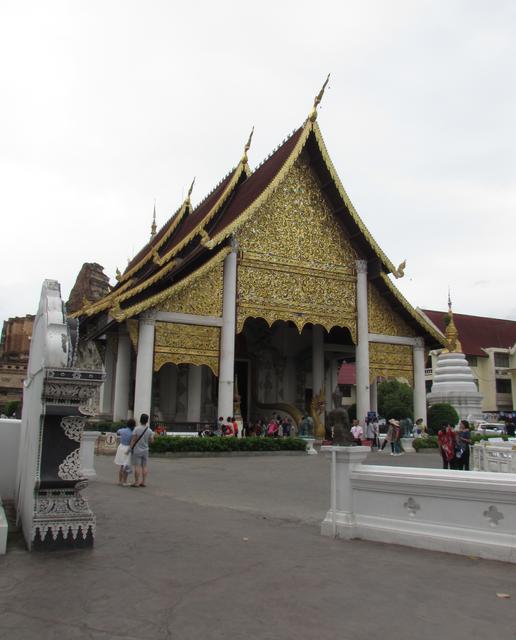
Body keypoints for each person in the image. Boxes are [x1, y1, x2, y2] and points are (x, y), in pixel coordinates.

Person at [129, 413, 155, 487]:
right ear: (147, 421)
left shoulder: (136, 429)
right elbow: (152, 441)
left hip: (137, 450)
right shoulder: (149, 430)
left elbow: (133, 440)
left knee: (137, 466)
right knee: (144, 466)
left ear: (140, 420)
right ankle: (143, 482)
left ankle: (136, 482)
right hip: (145, 450)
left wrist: (130, 448)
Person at [114, 418, 135, 486]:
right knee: (126, 465)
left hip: (121, 447)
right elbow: (132, 442)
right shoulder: (132, 433)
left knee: (121, 465)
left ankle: (120, 481)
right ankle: (124, 481)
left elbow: (117, 431)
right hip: (127, 448)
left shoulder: (122, 430)